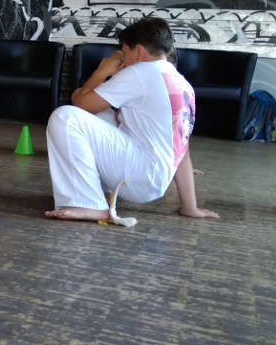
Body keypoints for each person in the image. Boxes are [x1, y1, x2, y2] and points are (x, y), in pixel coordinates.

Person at [45, 17, 219, 222]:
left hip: (139, 174)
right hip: (154, 181)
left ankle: (89, 203)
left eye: (124, 52)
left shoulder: (140, 72)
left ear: (138, 51)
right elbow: (182, 150)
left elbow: (80, 102)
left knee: (65, 117)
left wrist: (103, 70)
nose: (122, 59)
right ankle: (104, 194)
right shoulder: (182, 83)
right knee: (103, 113)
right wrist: (190, 207)